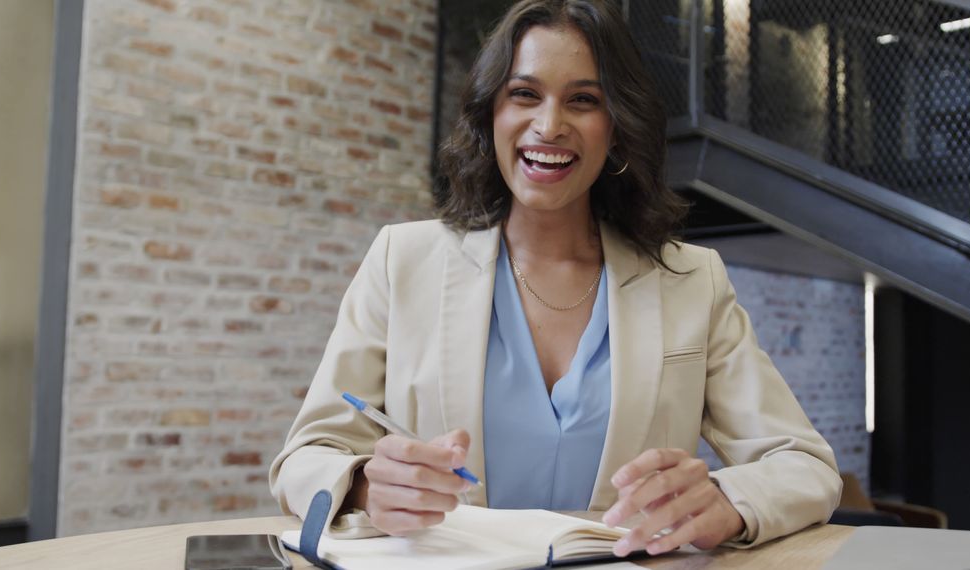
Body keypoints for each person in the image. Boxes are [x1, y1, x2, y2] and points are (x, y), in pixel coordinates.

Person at [270, 0, 841, 555]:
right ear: (491, 111)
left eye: (584, 100)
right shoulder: (403, 260)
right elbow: (305, 455)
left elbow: (805, 465)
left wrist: (724, 497)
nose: (549, 125)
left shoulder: (691, 280)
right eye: (524, 94)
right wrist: (369, 484)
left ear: (616, 127)